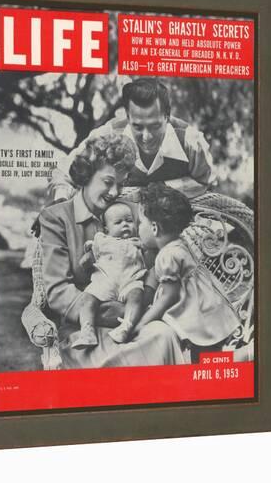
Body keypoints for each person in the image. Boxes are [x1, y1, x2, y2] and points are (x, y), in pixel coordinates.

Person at [39, 132, 186, 369]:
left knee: (163, 334)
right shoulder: (56, 218)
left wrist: (138, 307)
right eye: (108, 182)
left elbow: (154, 259)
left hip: (132, 317)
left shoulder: (133, 212)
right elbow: (57, 291)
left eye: (121, 183)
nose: (115, 192)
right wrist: (111, 313)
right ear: (86, 174)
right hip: (84, 332)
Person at [48, 78, 215, 202]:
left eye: (155, 126)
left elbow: (207, 184)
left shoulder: (190, 141)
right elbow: (63, 172)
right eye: (137, 127)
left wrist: (155, 191)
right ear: (127, 117)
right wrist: (61, 203)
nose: (147, 137)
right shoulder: (109, 134)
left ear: (167, 116)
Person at [136, 183, 240, 348]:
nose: (138, 228)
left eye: (140, 223)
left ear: (154, 228)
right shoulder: (180, 244)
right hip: (211, 309)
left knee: (202, 359)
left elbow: (168, 296)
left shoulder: (167, 256)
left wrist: (143, 322)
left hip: (198, 316)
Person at [71, 201, 147, 349]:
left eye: (129, 221)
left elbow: (149, 262)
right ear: (106, 229)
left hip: (130, 281)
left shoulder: (139, 242)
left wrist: (144, 248)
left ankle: (126, 326)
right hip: (105, 281)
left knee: (137, 296)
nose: (125, 224)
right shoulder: (102, 240)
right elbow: (88, 257)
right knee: (87, 298)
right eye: (118, 222)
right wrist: (87, 259)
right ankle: (87, 331)